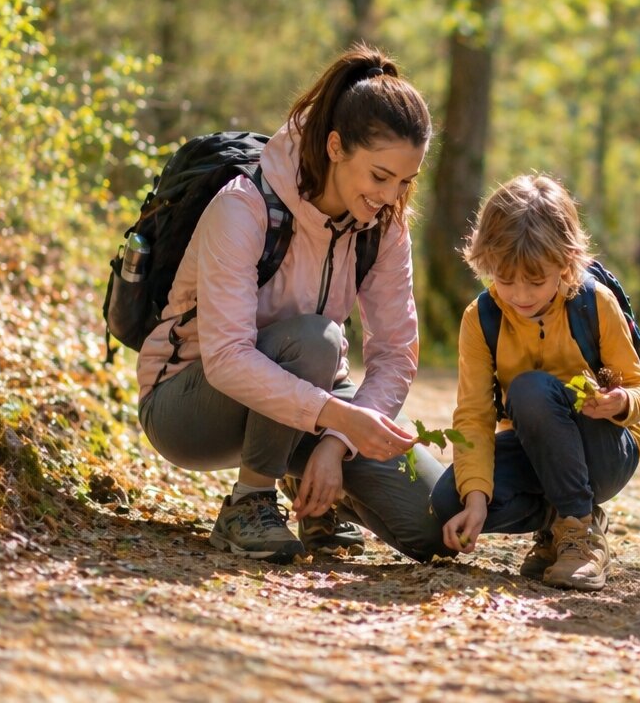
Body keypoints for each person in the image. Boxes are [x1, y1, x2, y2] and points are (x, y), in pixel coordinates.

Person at [135, 45, 447, 563]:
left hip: (310, 397)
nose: (391, 196)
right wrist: (339, 419)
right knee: (315, 340)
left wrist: (335, 445)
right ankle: (250, 501)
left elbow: (395, 353)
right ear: (334, 146)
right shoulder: (244, 207)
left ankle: (313, 493)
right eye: (379, 176)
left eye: (405, 182)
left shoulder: (384, 227)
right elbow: (228, 358)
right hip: (190, 401)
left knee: (432, 522)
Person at [431, 174, 640, 592]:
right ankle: (558, 522)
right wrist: (476, 498)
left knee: (530, 389)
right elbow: (475, 416)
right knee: (449, 502)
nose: (519, 294)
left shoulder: (593, 302)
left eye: (535, 280)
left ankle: (580, 535)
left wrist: (620, 401)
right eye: (505, 278)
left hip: (602, 453)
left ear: (566, 262)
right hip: (537, 450)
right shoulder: (481, 319)